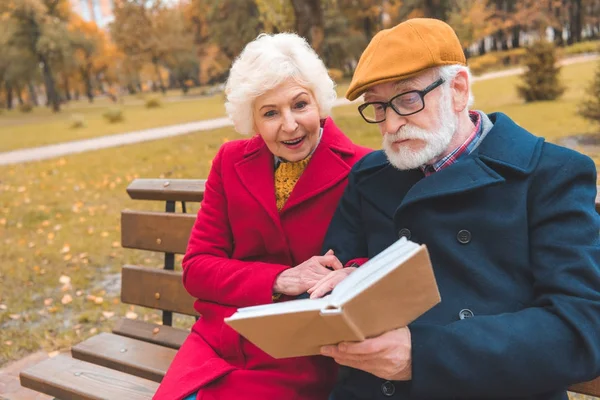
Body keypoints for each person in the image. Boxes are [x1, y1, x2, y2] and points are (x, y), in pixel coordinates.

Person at [309, 18, 600, 400]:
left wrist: (421, 355)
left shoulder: (549, 173)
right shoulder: (370, 177)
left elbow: (582, 328)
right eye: (378, 106)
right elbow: (337, 276)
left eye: (408, 98)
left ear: (459, 89)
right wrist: (343, 277)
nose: (392, 123)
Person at [153, 32, 371, 400]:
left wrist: (353, 272)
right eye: (270, 112)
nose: (289, 125)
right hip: (218, 344)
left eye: (299, 104)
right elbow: (197, 268)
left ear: (319, 103)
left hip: (300, 355)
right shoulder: (229, 162)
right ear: (252, 120)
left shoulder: (362, 169)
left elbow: (374, 264)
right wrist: (280, 278)